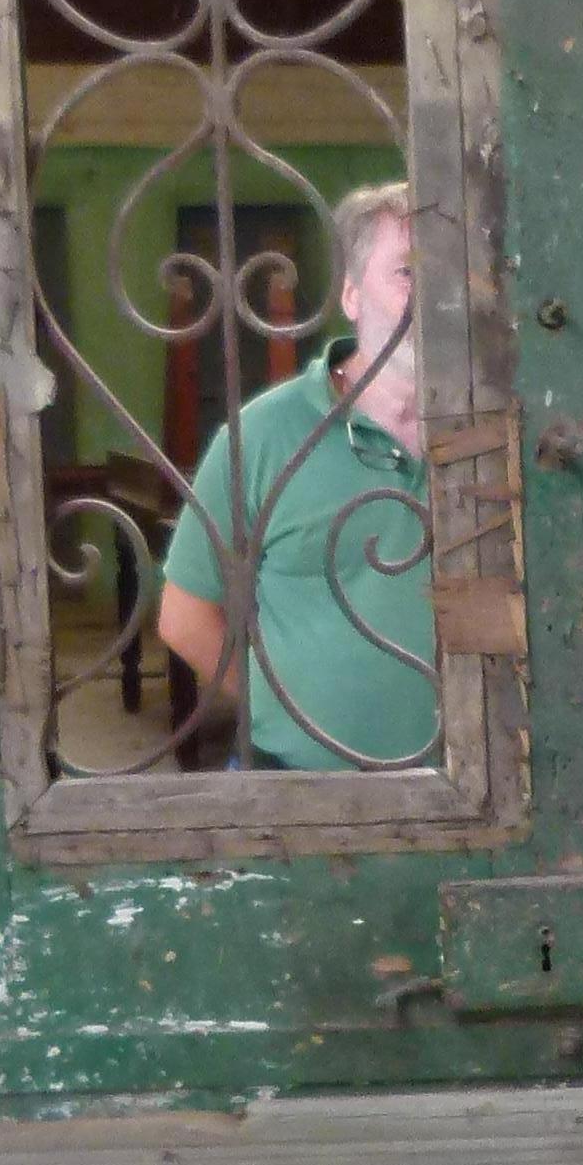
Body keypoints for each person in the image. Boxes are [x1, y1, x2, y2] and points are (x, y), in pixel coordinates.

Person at [155, 175, 437, 773]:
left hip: (478, 794)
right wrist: (285, 709)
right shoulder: (265, 435)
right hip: (297, 791)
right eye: (408, 271)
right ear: (353, 295)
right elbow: (183, 617)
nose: (436, 291)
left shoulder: (501, 438)